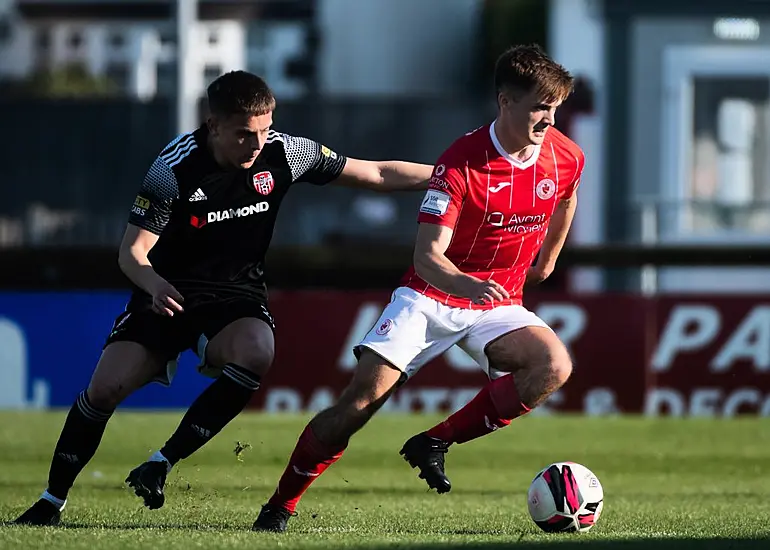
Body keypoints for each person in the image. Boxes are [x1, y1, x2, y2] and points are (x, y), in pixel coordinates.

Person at [14, 70, 433, 526]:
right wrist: (154, 285)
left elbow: (374, 172)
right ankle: (50, 502)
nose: (256, 144)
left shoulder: (287, 153)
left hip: (235, 295)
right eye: (243, 134)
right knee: (104, 391)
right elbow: (132, 253)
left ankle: (160, 462)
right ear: (213, 125)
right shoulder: (173, 167)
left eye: (265, 130)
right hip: (167, 292)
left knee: (258, 351)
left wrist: (449, 178)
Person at [254, 44, 585, 533]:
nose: (548, 120)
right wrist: (467, 285)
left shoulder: (564, 154)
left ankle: (435, 442)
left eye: (555, 108)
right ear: (505, 101)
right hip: (431, 297)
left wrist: (549, 260)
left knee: (553, 365)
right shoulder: (461, 164)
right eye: (539, 106)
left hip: (496, 302)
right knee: (358, 406)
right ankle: (280, 505)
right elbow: (427, 259)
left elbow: (567, 199)